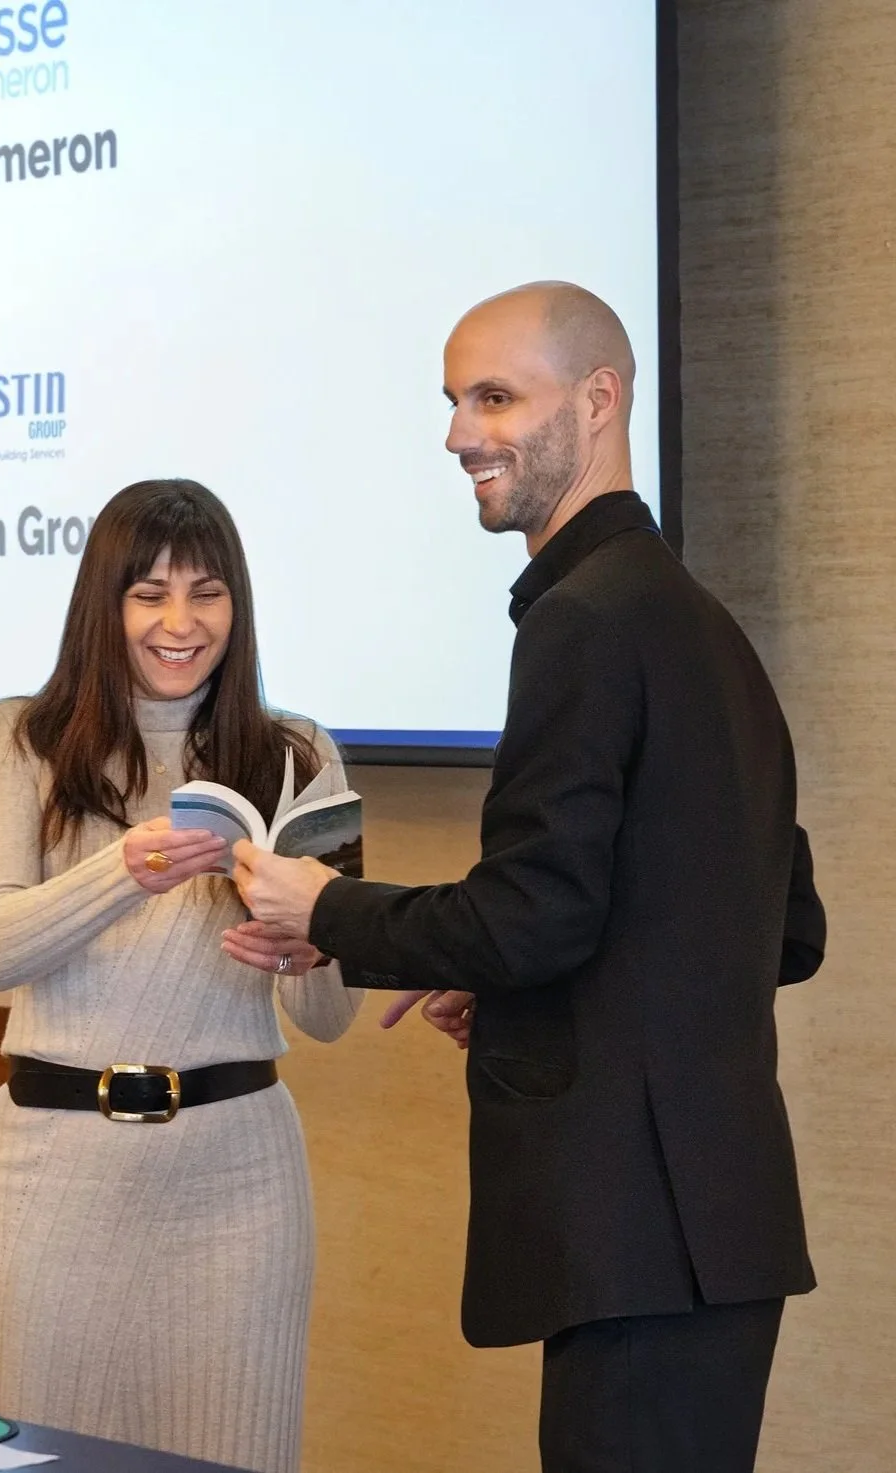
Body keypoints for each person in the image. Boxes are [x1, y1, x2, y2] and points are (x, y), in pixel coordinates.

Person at [228, 283, 826, 1473]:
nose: (460, 433)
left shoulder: (585, 621)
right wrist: (520, 992)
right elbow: (778, 928)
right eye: (454, 401)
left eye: (495, 398)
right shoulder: (698, 621)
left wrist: (325, 909)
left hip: (633, 1232)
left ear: (598, 400)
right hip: (712, 1229)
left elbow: (538, 916)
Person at [0, 478, 361, 1473]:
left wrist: (310, 943)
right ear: (107, 605)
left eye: (207, 593)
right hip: (52, 1172)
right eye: (150, 594)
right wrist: (123, 870)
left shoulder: (300, 753)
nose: (181, 623)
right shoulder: (18, 738)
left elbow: (328, 1016)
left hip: (239, 1179)